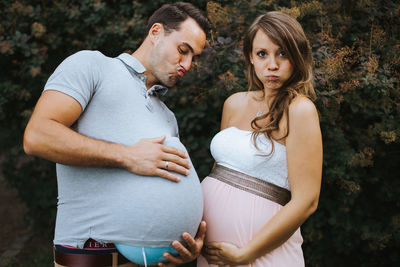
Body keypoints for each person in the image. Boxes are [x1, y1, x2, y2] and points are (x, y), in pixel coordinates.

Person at [23, 2, 212, 267]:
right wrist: (128, 156)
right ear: (156, 32)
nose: (188, 64)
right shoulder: (92, 66)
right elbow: (37, 136)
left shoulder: (167, 117)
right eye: (183, 50)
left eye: (194, 57)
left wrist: (177, 246)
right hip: (89, 257)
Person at [197, 11, 323, 266]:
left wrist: (247, 253)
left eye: (283, 53)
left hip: (262, 256)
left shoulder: (300, 110)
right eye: (262, 54)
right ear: (251, 58)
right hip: (214, 254)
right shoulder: (233, 103)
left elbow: (307, 201)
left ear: (297, 58)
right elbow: (220, 174)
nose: (272, 65)